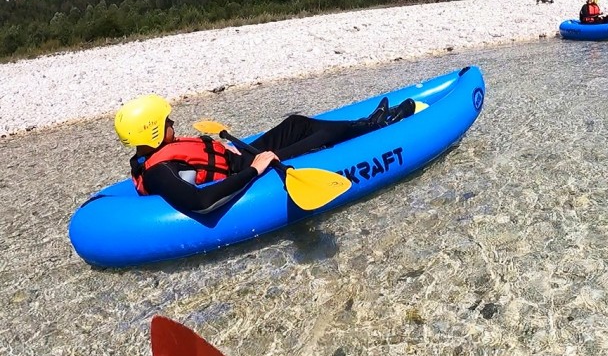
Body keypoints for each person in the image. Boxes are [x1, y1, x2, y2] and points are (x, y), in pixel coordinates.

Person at [114, 94, 416, 214]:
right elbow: (200, 202)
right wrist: (255, 170)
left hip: (239, 158)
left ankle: (364, 123)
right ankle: (382, 125)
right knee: (320, 138)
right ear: (151, 129)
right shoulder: (158, 171)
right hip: (247, 170)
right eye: (166, 122)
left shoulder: (157, 151)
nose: (173, 123)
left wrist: (225, 148)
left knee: (296, 123)